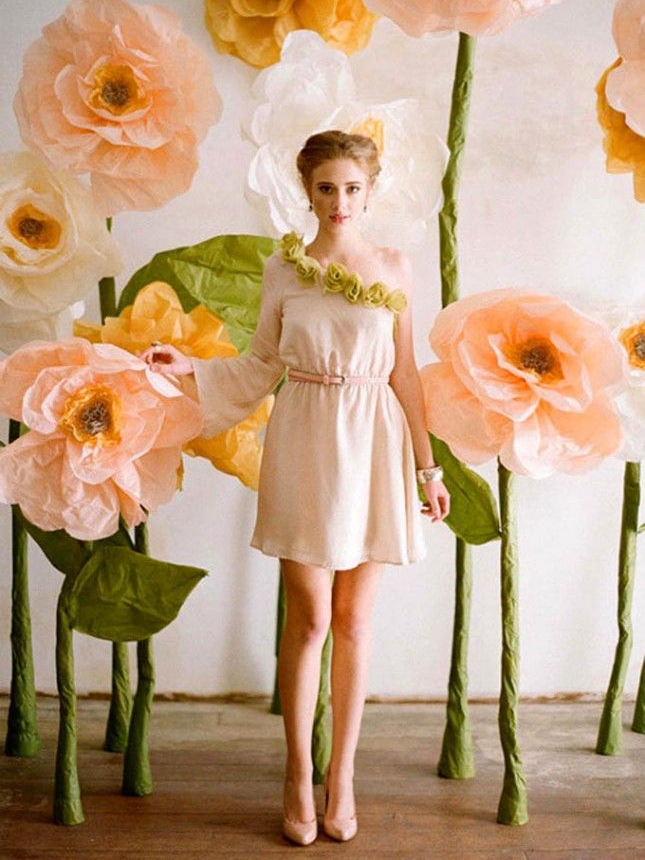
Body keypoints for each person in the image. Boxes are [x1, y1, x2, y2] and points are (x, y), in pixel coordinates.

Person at [140, 130, 450, 846]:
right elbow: (257, 368)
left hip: (375, 439)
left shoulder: (397, 267)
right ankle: (294, 770)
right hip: (307, 436)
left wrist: (426, 469)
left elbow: (404, 373)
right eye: (325, 187)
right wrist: (188, 367)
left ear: (370, 191)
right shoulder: (284, 271)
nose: (338, 201)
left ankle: (341, 777)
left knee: (354, 621)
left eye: (350, 187)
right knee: (308, 618)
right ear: (305, 190)